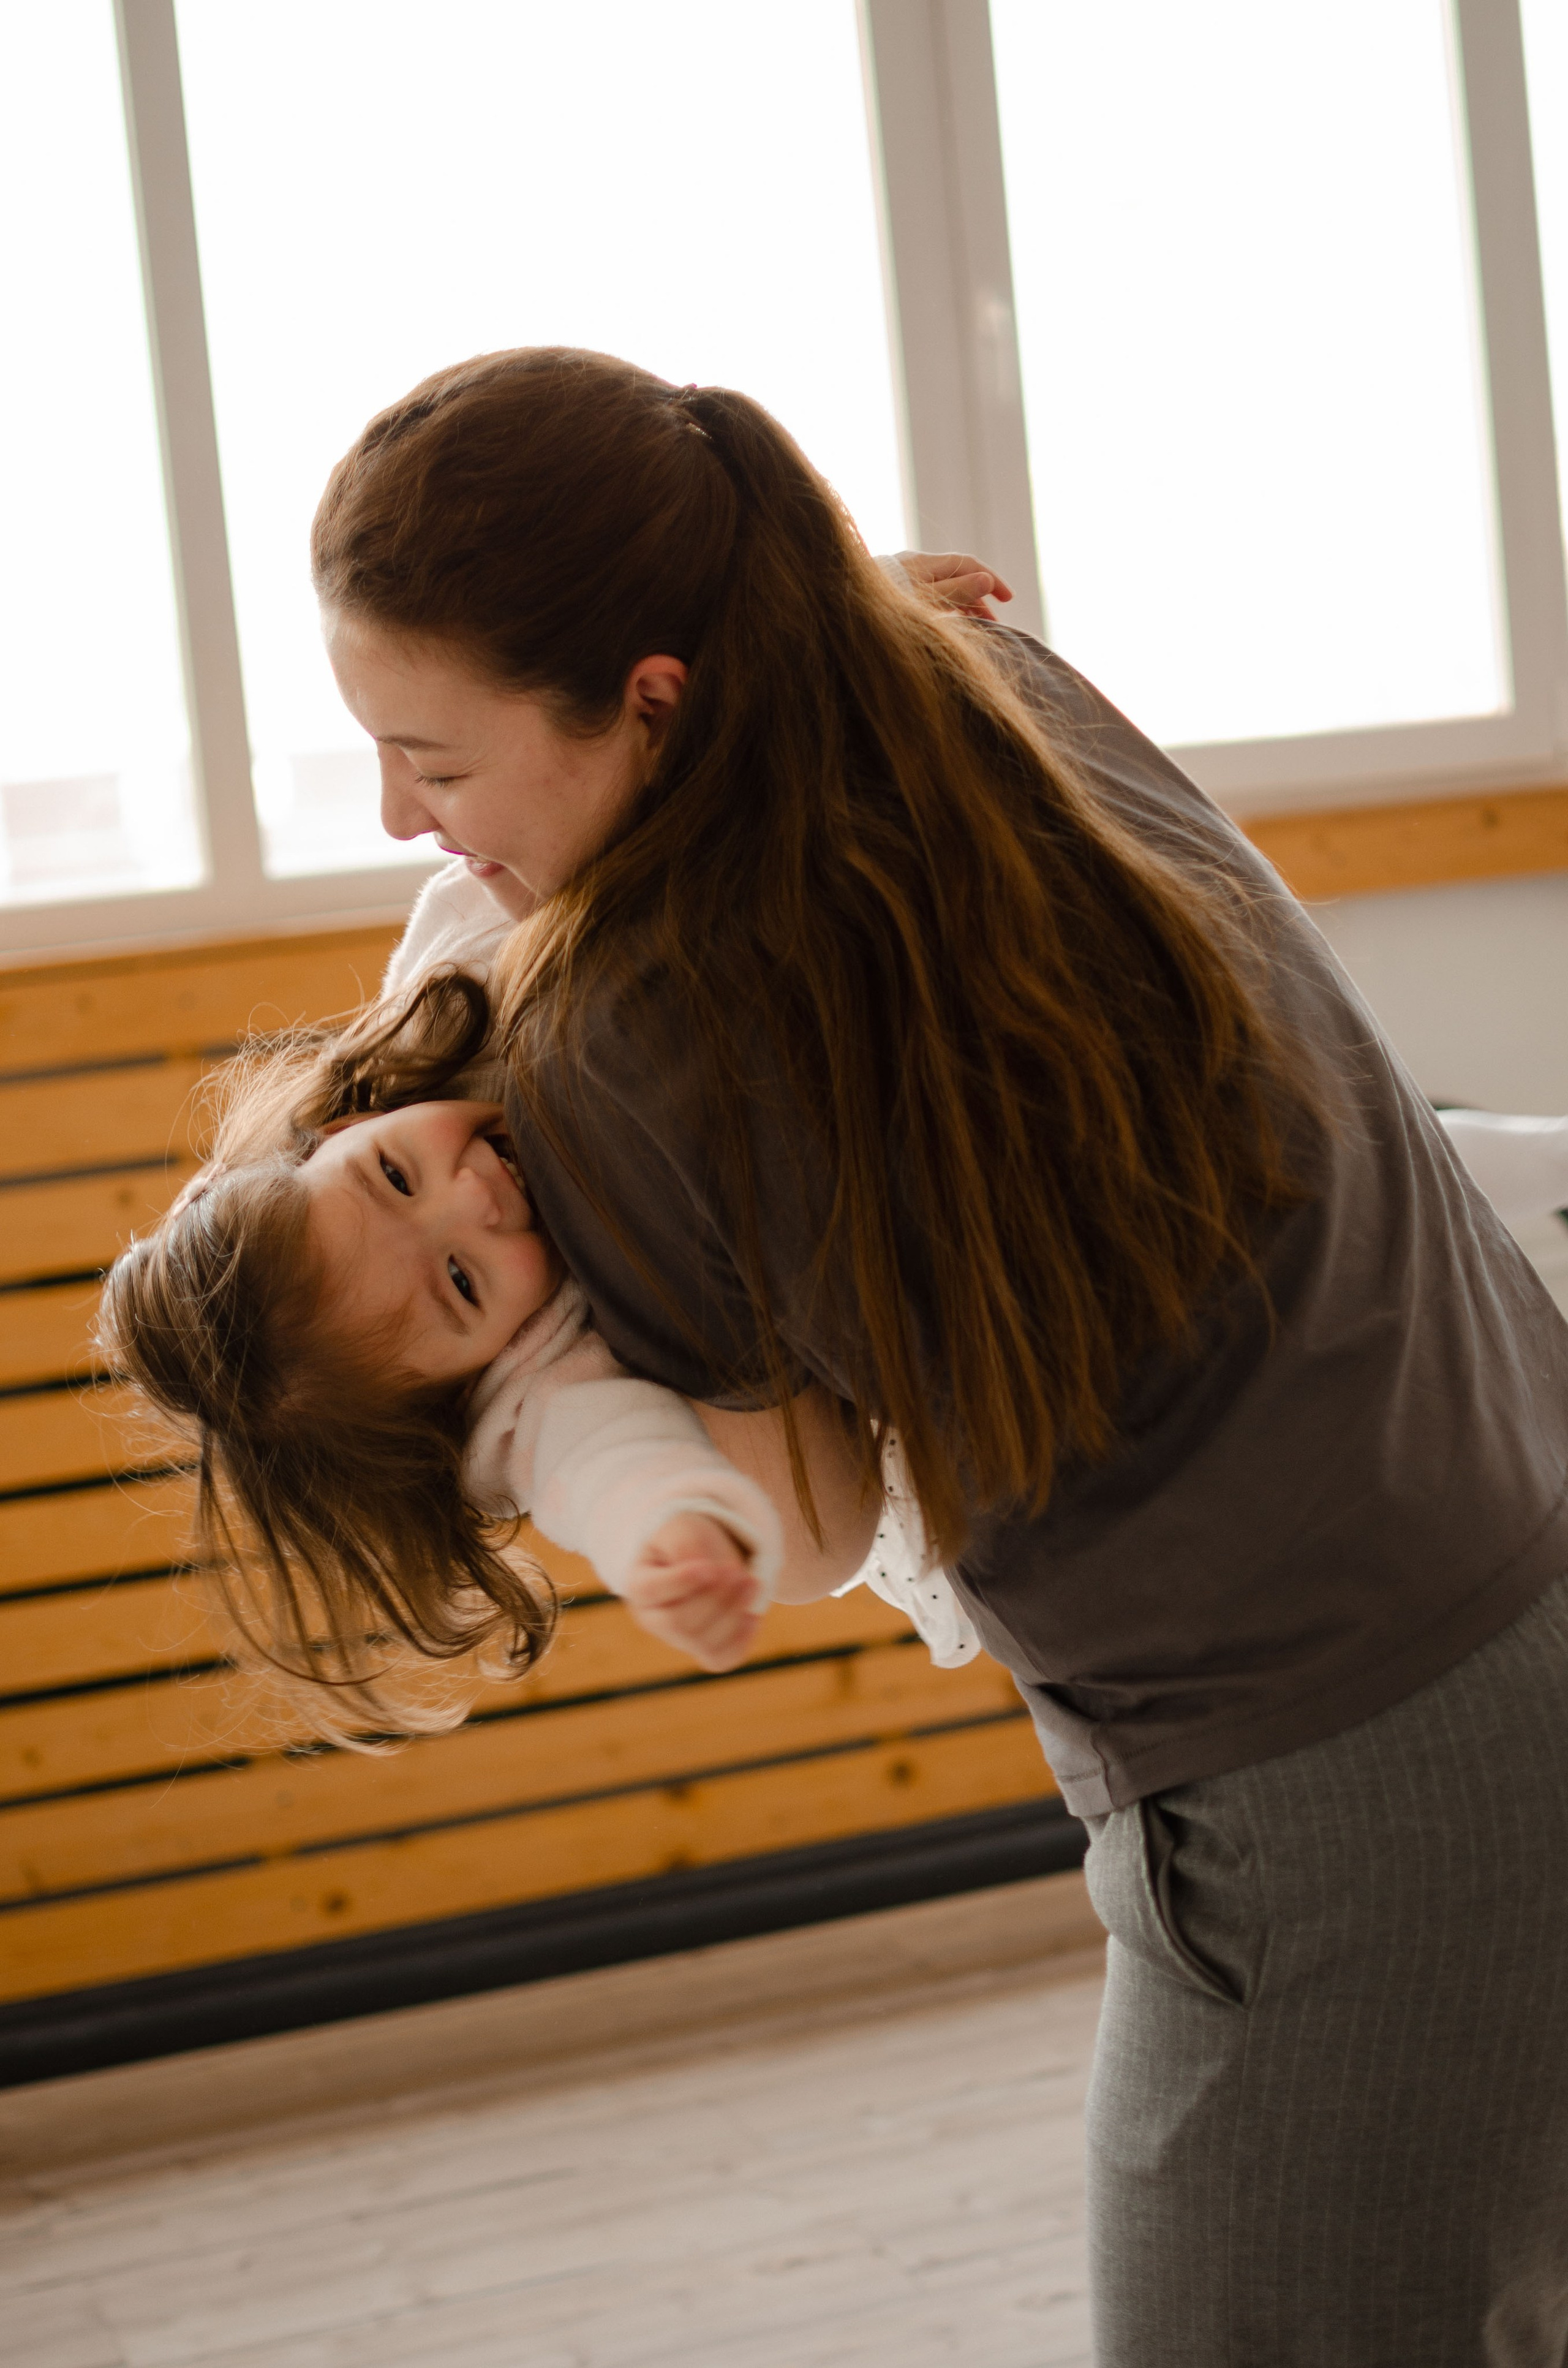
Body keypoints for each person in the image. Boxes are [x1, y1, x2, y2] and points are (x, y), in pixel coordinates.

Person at [290, 343, 1568, 2362]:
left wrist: (547, 1400)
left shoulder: (627, 1031)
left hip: (1341, 1784)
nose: (406, 821)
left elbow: (809, 1524)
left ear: (653, 702)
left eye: (432, 764)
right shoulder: (990, 677)